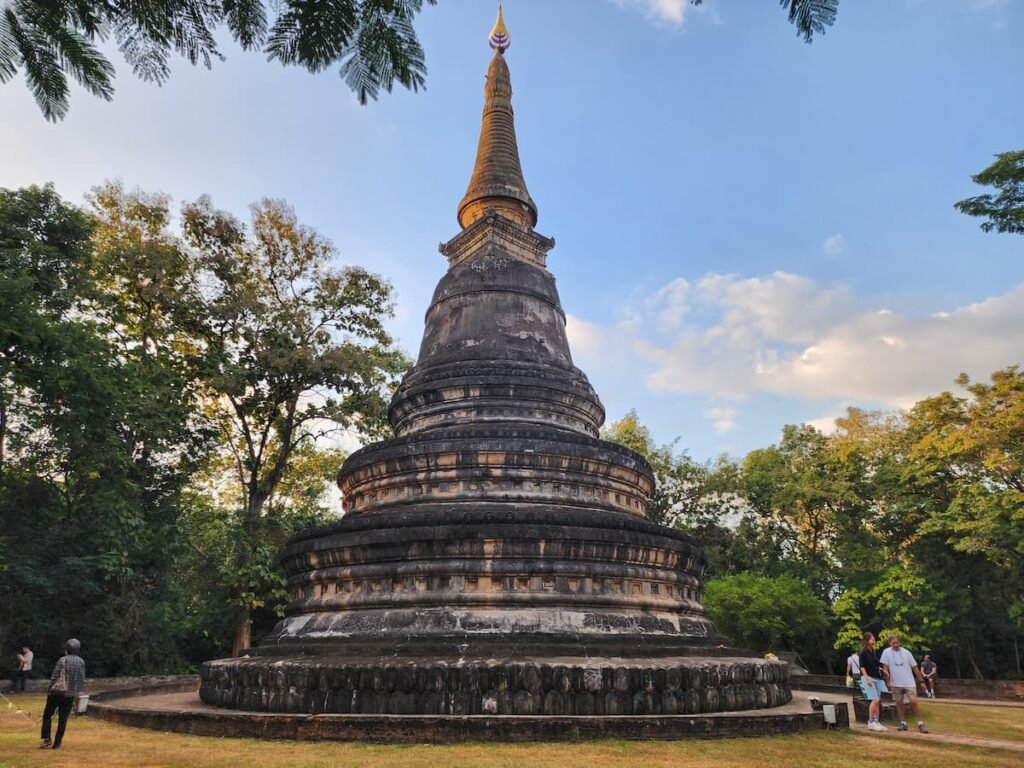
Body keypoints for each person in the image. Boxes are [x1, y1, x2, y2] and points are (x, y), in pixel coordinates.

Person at [39, 639, 86, 751]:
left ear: (67, 649)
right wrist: (76, 691)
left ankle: (46, 739)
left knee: (47, 715)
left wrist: (49, 689)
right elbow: (81, 678)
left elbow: (55, 676)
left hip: (58, 692)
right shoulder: (81, 661)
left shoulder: (62, 660)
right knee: (63, 718)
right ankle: (57, 742)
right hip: (70, 694)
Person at [880, 634, 929, 733]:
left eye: (897, 643)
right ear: (890, 643)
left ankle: (920, 723)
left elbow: (915, 667)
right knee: (899, 703)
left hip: (909, 682)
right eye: (894, 643)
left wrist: (922, 681)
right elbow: (885, 668)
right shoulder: (886, 652)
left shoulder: (907, 653)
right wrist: (888, 681)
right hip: (896, 683)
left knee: (913, 702)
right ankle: (903, 723)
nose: (896, 645)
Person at [858, 631, 888, 732]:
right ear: (867, 640)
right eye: (871, 639)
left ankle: (876, 721)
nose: (873, 641)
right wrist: (866, 678)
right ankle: (871, 721)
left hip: (877, 677)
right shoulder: (863, 652)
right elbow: (862, 666)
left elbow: (876, 664)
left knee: (878, 700)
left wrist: (882, 670)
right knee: (874, 700)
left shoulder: (873, 651)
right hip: (869, 677)